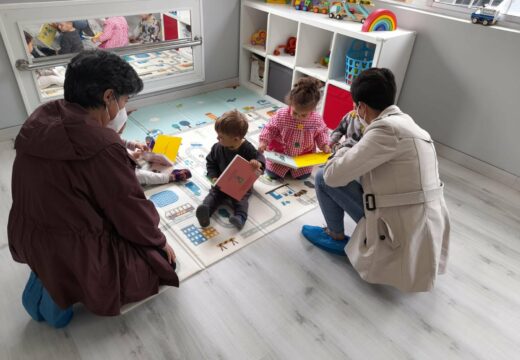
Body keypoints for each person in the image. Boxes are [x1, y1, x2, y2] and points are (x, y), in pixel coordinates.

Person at [8, 50, 178, 328]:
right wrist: (159, 242)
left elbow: (75, 148)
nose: (125, 108)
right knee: (158, 264)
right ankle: (58, 290)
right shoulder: (102, 148)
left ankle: (48, 273)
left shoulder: (43, 115)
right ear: (108, 97)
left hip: (27, 233)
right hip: (70, 248)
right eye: (125, 100)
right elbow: (130, 210)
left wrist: (121, 147)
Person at [301, 68, 450, 292]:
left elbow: (333, 176)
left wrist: (342, 148)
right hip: (426, 221)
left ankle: (335, 235)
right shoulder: (410, 125)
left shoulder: (385, 130)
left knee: (323, 176)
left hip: (399, 229)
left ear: (361, 107)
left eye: (355, 106)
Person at [196, 110, 265, 230]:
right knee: (214, 195)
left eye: (221, 136)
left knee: (241, 198)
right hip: (222, 181)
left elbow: (259, 157)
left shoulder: (247, 148)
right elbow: (211, 163)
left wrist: (257, 163)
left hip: (240, 184)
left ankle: (240, 217)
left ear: (236, 139)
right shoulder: (217, 147)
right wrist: (214, 176)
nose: (217, 138)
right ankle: (206, 212)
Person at [258, 77, 331, 180]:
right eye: (295, 113)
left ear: (312, 110)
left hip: (303, 155)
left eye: (303, 115)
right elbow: (270, 128)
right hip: (281, 153)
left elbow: (321, 133)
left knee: (303, 176)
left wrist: (324, 145)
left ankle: (297, 170)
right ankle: (278, 168)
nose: (298, 117)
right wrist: (264, 142)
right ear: (290, 104)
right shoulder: (282, 115)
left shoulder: (316, 120)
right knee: (272, 174)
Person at [106, 114, 192, 186]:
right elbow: (146, 176)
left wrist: (135, 145)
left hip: (122, 159)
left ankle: (146, 153)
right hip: (117, 174)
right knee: (145, 172)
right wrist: (171, 177)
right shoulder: (124, 169)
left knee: (150, 155)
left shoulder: (107, 136)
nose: (119, 134)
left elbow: (120, 140)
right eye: (120, 131)